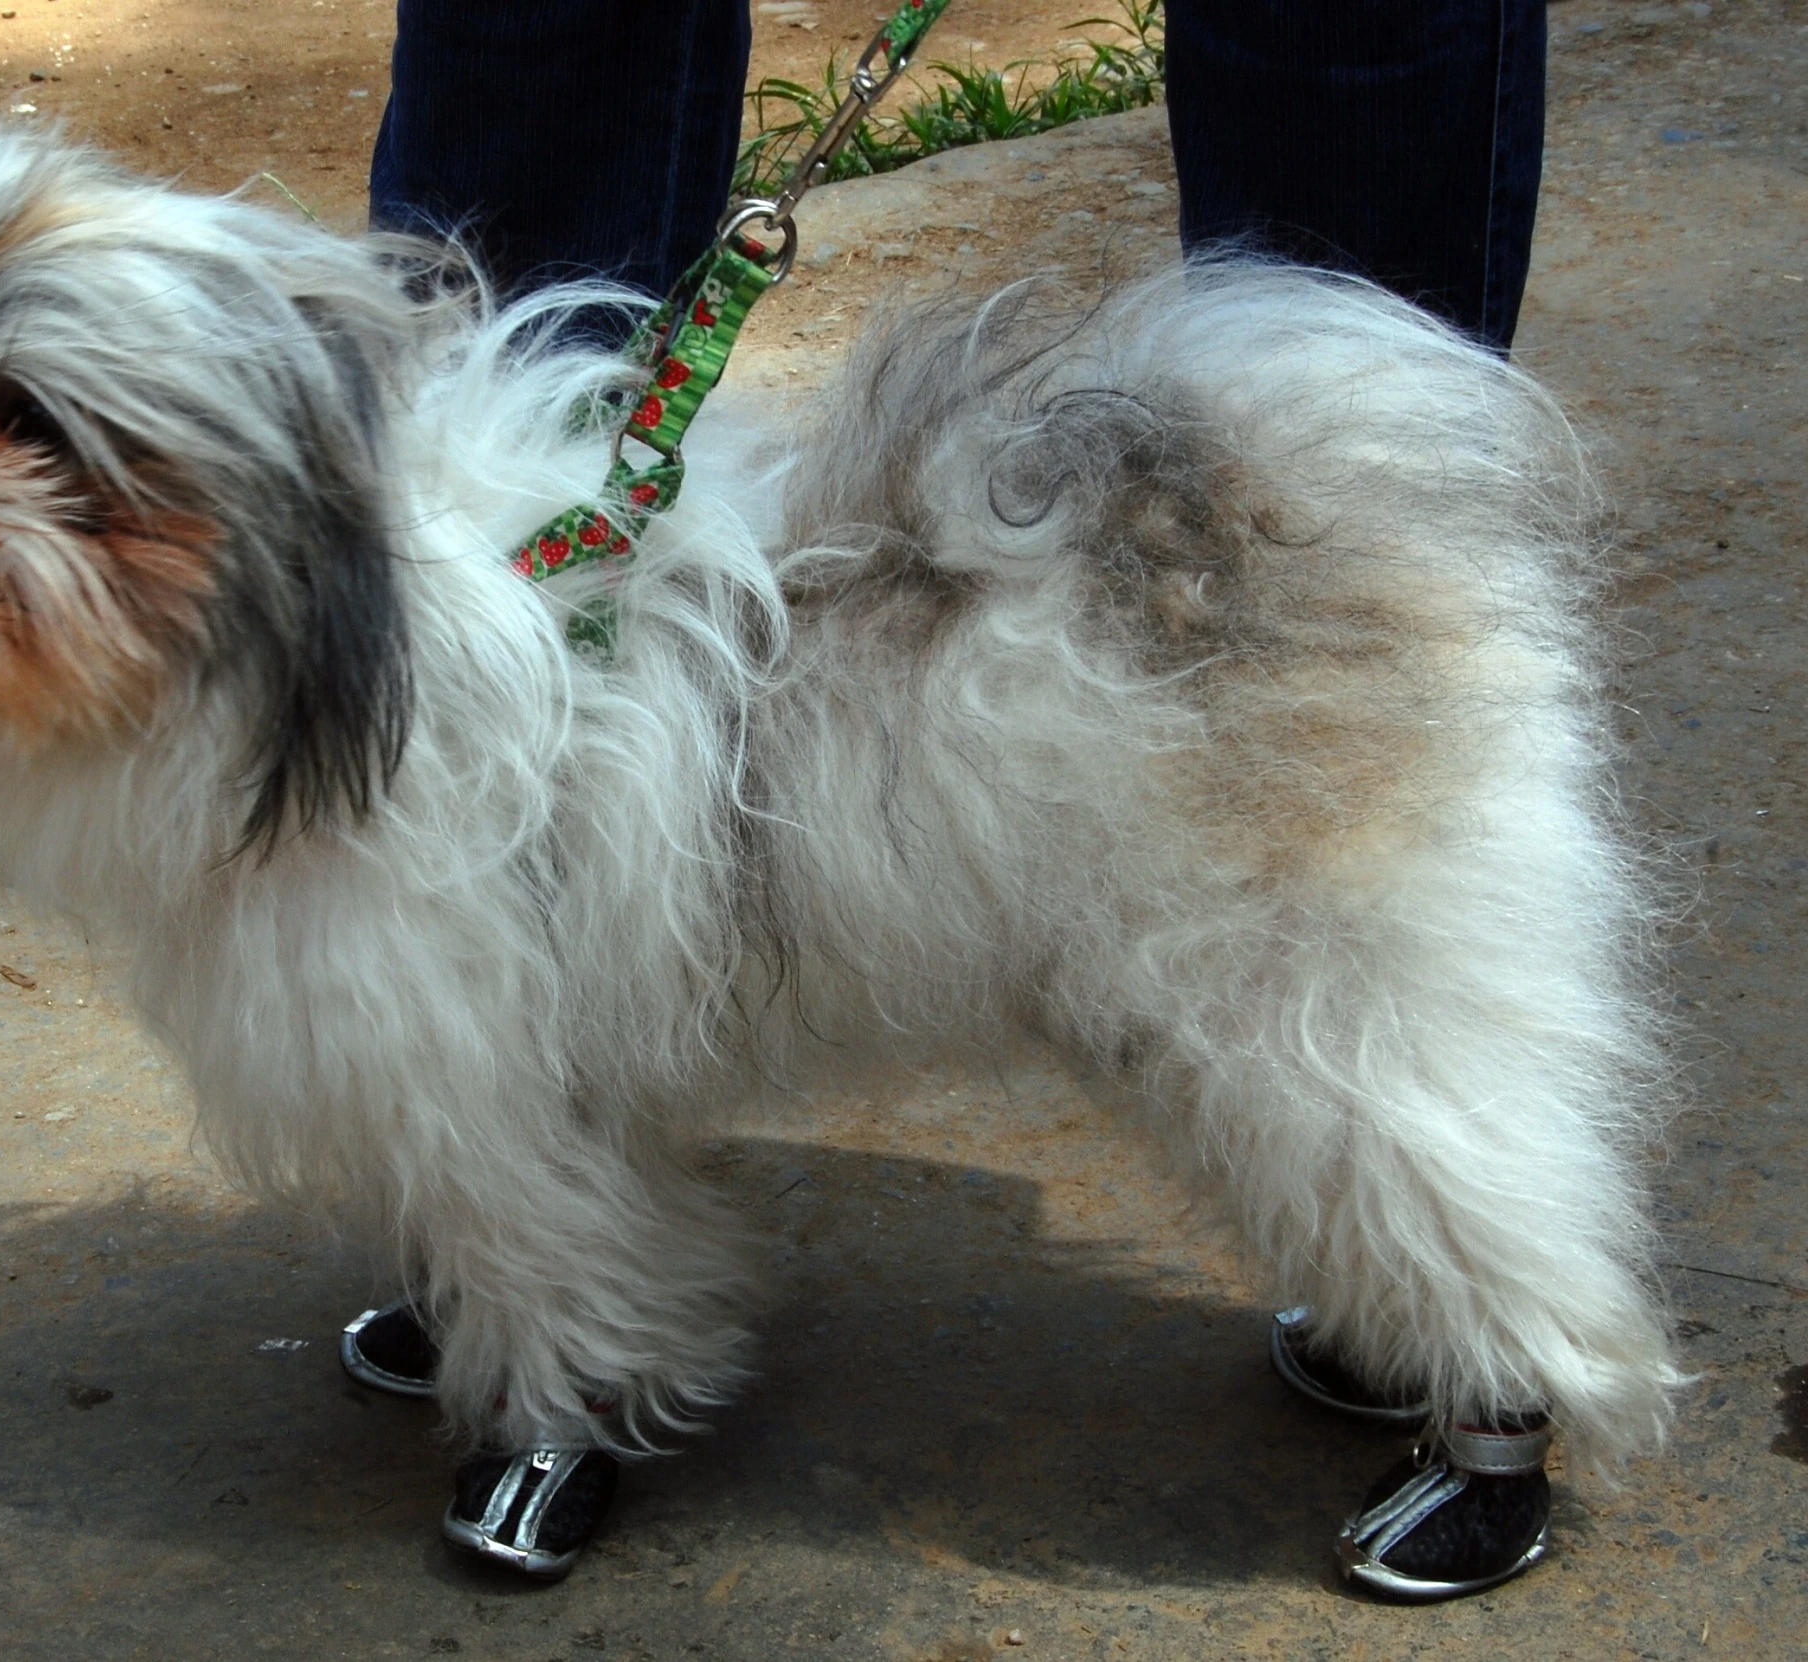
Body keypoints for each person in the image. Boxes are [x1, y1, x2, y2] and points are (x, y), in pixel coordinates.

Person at [358, 0, 1558, 1595]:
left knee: (1301, 979)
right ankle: (520, 1250)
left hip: (1253, 655)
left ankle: (1487, 1383)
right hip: (528, 663)